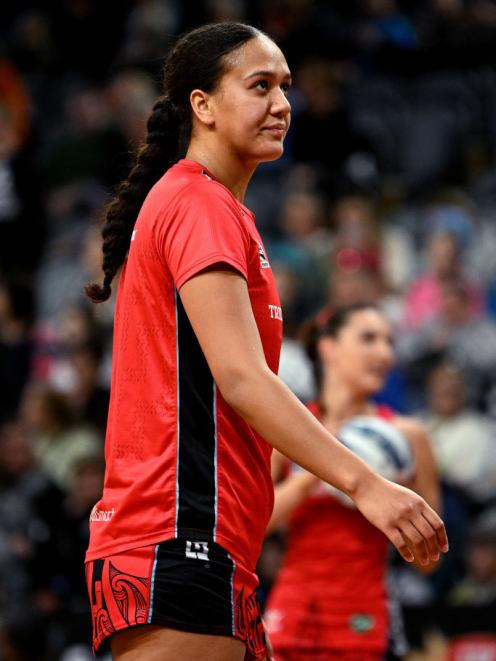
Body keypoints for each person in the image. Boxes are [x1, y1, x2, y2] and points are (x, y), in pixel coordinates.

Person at [84, 22, 448, 661]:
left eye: (286, 87)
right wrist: (366, 484)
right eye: (259, 86)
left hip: (204, 544)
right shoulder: (199, 204)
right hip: (178, 534)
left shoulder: (214, 208)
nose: (282, 103)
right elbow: (244, 378)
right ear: (202, 106)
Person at [265, 304, 441, 660]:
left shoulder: (406, 436)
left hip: (366, 615)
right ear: (328, 348)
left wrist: (401, 510)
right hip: (292, 608)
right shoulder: (288, 426)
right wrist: (328, 470)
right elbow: (254, 525)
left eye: (389, 342)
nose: (385, 353)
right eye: (368, 339)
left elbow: (429, 562)